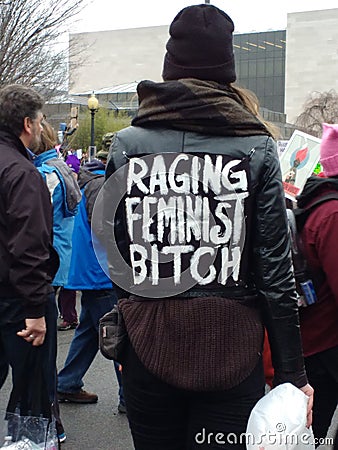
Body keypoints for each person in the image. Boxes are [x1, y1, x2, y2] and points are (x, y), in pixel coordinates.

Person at [103, 5, 313, 449]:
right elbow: (275, 271)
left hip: (149, 342)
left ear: (170, 64)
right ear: (227, 69)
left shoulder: (128, 145)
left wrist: (131, 321)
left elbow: (117, 253)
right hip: (231, 348)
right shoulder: (255, 148)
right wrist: (293, 373)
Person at [0, 85, 59, 416]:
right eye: (39, 120)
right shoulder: (22, 174)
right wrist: (36, 310)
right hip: (18, 300)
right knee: (31, 396)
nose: (41, 127)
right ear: (27, 123)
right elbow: (28, 246)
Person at [57, 157, 125, 413]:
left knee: (89, 331)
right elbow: (105, 228)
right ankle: (128, 396)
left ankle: (68, 381)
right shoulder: (101, 185)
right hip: (101, 271)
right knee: (117, 334)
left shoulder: (90, 183)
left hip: (90, 271)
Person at [296, 123, 338, 443]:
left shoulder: (318, 203)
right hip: (327, 343)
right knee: (313, 432)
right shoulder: (333, 213)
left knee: (310, 430)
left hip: (314, 338)